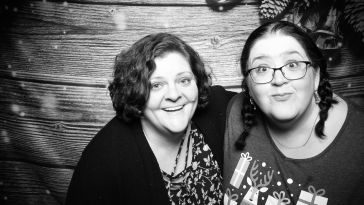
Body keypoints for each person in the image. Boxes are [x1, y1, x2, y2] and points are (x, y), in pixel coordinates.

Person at [65, 33, 235, 205]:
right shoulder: (102, 161)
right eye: (156, 85)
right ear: (135, 92)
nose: (174, 95)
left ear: (197, 83)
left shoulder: (220, 106)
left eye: (184, 80)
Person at [223, 21, 364, 205]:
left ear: (316, 76)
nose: (279, 80)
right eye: (262, 69)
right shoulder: (235, 112)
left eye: (292, 64)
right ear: (248, 85)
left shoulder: (358, 144)